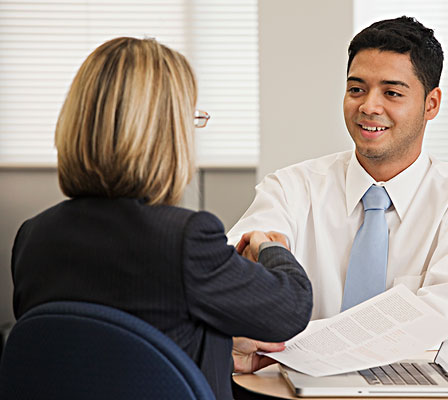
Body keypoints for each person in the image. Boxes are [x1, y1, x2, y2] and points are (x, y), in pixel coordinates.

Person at [10, 37, 312, 400]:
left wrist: (221, 351)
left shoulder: (34, 238)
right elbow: (292, 309)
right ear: (167, 135)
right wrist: (269, 249)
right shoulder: (184, 238)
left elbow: (100, 357)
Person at [229, 16, 448, 321]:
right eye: (356, 90)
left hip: (412, 367)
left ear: (431, 104)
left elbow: (441, 325)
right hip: (296, 369)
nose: (368, 107)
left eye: (391, 93)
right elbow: (226, 279)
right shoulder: (290, 189)